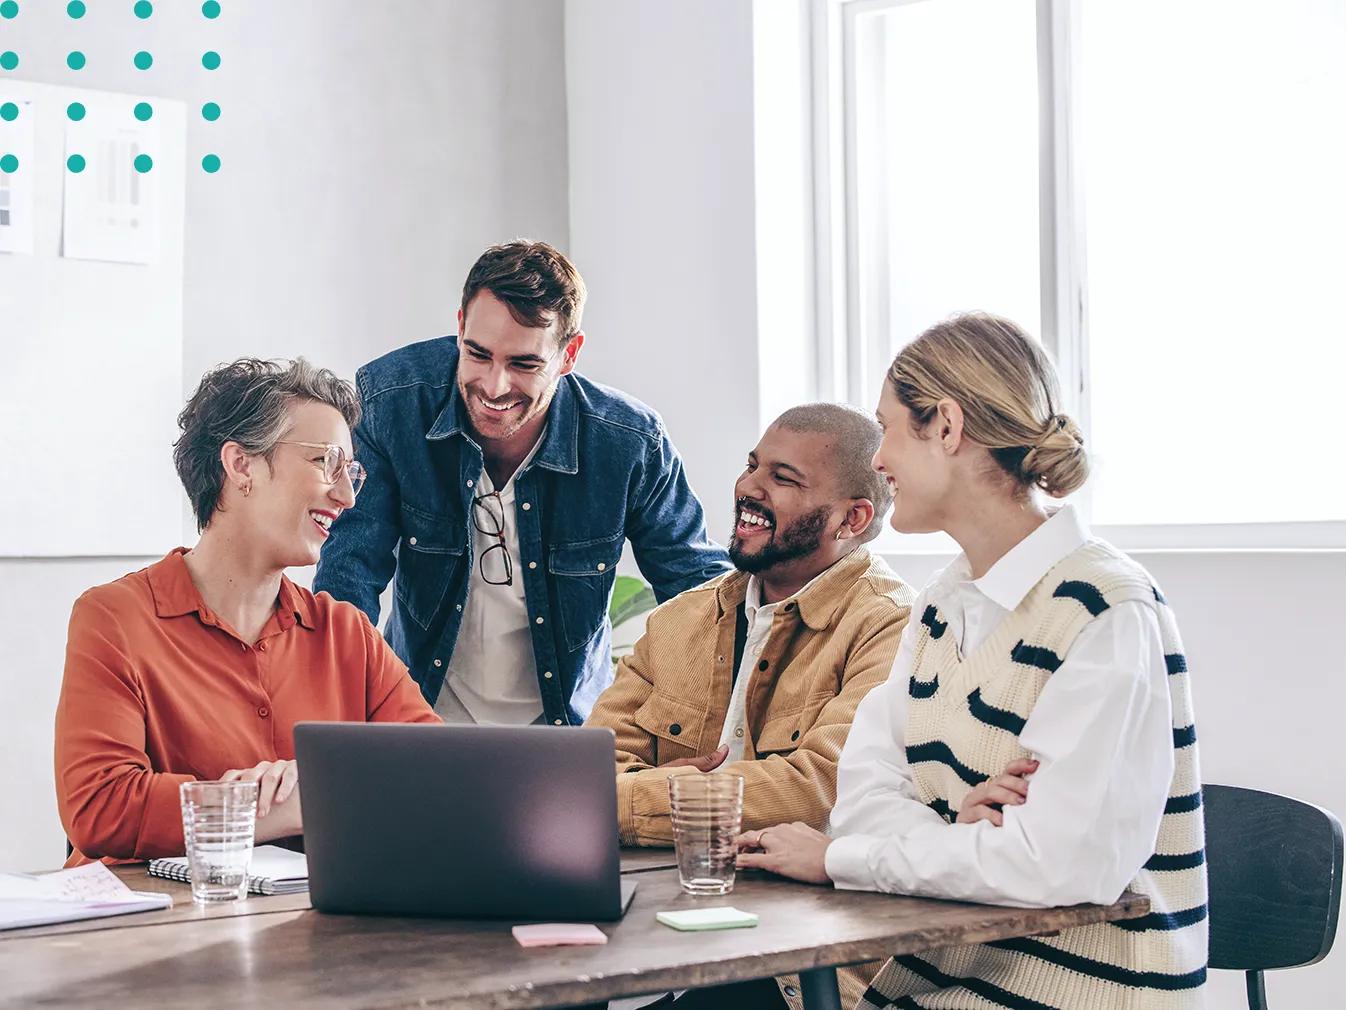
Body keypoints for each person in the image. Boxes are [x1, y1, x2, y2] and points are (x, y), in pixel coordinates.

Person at [738, 313, 1206, 1008]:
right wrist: (959, 824)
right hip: (937, 984)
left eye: (889, 426)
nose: (879, 458)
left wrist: (842, 859)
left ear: (947, 427)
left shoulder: (1107, 611)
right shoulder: (939, 607)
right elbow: (863, 798)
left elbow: (1057, 867)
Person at [313, 240, 730, 728]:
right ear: (460, 327)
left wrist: (687, 731)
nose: (494, 386)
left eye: (524, 364)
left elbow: (700, 597)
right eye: (478, 354)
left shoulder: (629, 443)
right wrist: (343, 727)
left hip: (565, 733)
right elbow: (350, 577)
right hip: (420, 720)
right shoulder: (391, 401)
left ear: (569, 353)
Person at [587, 403, 914, 1010]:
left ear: (854, 517)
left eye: (783, 479)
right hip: (656, 933)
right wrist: (631, 794)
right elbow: (589, 770)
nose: (748, 488)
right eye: (751, 466)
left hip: (794, 958)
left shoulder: (892, 627)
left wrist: (640, 797)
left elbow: (817, 787)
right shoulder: (680, 620)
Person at [55, 359, 440, 865]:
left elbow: (438, 777)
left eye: (352, 472)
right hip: (152, 933)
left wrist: (314, 791)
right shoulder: (114, 619)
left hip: (311, 931)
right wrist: (268, 808)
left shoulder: (346, 634)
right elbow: (100, 808)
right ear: (241, 466)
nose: (346, 496)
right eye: (326, 462)